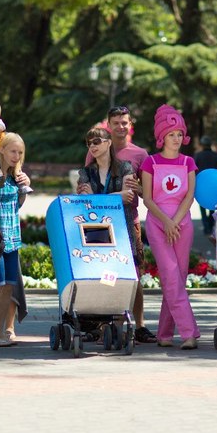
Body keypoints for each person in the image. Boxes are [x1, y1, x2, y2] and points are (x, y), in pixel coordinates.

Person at [85, 106, 155, 343]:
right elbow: (89, 187)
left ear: (129, 124)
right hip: (103, 225)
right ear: (109, 125)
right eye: (116, 123)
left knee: (134, 273)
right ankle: (107, 323)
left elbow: (148, 193)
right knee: (107, 273)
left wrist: (140, 189)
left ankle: (140, 324)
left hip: (129, 220)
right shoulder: (98, 148)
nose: (120, 127)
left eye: (124, 122)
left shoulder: (139, 155)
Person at [141, 104, 200, 350]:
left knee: (176, 278)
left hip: (182, 224)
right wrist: (166, 222)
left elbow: (189, 197)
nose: (176, 139)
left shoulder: (188, 162)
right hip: (157, 224)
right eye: (171, 134)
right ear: (161, 136)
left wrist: (175, 221)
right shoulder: (149, 163)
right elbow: (147, 198)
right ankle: (189, 333)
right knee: (171, 276)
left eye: (179, 134)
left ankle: (164, 334)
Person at [0, 133, 31, 347]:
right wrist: (0, 177)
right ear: (1, 150)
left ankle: (1, 332)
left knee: (9, 288)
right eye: (13, 151)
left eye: (20, 153)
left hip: (13, 239)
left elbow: (17, 205)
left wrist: (24, 186)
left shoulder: (15, 175)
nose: (16, 156)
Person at [193, 136, 217, 235]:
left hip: (200, 184)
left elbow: (194, 169)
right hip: (215, 183)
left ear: (202, 145)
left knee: (202, 206)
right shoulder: (216, 155)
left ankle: (206, 226)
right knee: (213, 206)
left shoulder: (198, 155)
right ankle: (211, 225)